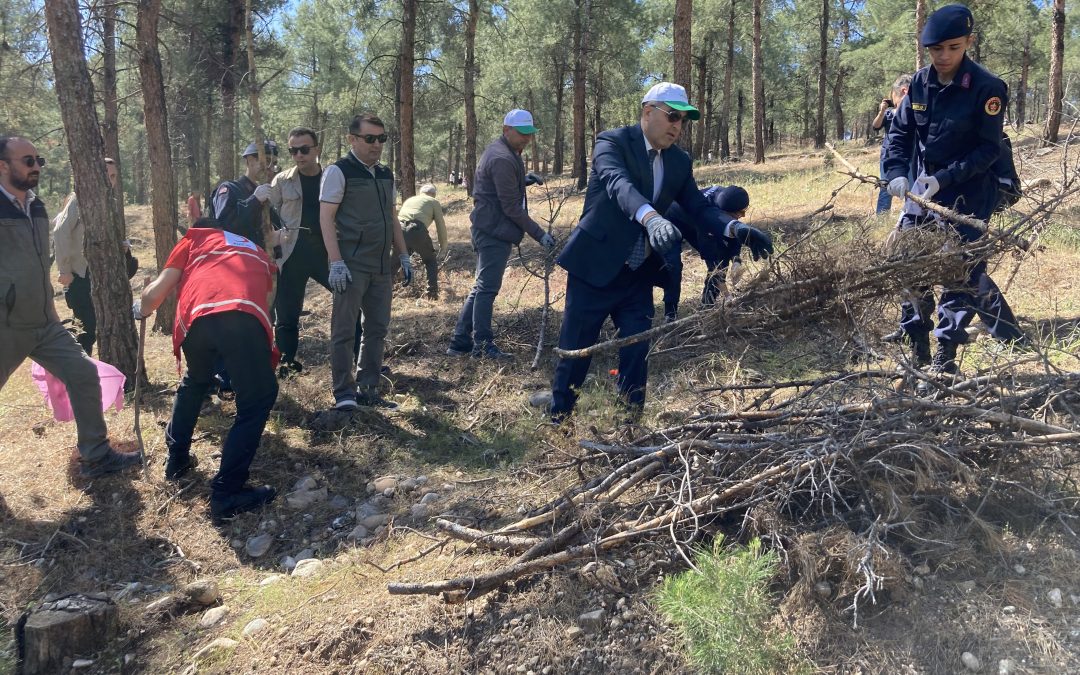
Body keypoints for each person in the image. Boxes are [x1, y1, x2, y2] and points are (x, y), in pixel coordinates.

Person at [550, 83, 727, 423]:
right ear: (648, 112)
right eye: (672, 116)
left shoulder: (678, 161)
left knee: (637, 350)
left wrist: (734, 228)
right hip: (595, 269)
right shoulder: (612, 142)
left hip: (638, 273)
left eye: (683, 120)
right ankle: (559, 422)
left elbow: (697, 207)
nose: (678, 126)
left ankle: (628, 424)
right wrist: (651, 217)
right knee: (576, 352)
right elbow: (619, 185)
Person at [884, 4, 1026, 377]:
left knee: (957, 276)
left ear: (968, 43)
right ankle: (918, 354)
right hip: (921, 196)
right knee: (909, 268)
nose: (943, 57)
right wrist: (897, 172)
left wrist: (944, 179)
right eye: (936, 50)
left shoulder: (987, 88)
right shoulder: (918, 83)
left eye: (952, 47)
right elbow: (899, 135)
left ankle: (945, 361)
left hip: (967, 195)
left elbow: (988, 149)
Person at [0, 136, 140, 477]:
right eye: (27, 161)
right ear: (3, 166)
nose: (36, 166)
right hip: (5, 324)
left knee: (83, 373)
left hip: (44, 322)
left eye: (38, 160)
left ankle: (95, 454)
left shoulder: (36, 206)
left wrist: (49, 307)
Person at [133, 217, 278, 521]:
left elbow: (155, 294)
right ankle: (227, 493)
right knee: (256, 400)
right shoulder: (252, 249)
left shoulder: (192, 241)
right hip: (242, 315)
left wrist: (142, 308)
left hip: (196, 320)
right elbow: (266, 300)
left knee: (195, 380)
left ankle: (177, 460)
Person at [320, 113, 412, 410]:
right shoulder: (339, 171)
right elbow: (325, 218)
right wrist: (336, 261)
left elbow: (392, 217)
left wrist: (403, 254)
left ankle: (368, 389)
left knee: (377, 328)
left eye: (381, 139)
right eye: (370, 138)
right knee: (344, 330)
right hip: (351, 265)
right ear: (352, 139)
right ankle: (344, 394)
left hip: (381, 266)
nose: (376, 145)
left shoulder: (385, 173)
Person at [447, 109, 556, 359]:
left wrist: (522, 180)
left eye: (530, 134)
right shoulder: (502, 158)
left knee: (480, 287)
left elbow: (498, 187)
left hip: (490, 226)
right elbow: (510, 208)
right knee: (487, 288)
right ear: (506, 130)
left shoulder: (508, 152)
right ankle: (482, 346)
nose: (527, 139)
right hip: (493, 231)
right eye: (522, 134)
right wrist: (539, 234)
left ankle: (460, 341)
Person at [268, 126, 362, 377]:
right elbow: (271, 216)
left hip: (328, 253)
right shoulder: (281, 180)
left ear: (316, 149)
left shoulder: (333, 177)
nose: (299, 155)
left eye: (304, 149)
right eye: (293, 150)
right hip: (291, 255)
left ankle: (358, 360)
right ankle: (286, 366)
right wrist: (274, 240)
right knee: (286, 316)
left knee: (350, 304)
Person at [658, 184, 773, 321]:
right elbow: (715, 268)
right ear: (724, 212)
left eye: (744, 210)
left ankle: (706, 307)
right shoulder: (707, 223)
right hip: (672, 219)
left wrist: (736, 259)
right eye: (739, 212)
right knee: (674, 266)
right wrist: (728, 296)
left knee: (723, 254)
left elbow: (731, 231)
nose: (743, 215)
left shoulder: (726, 196)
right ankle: (671, 313)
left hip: (700, 217)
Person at [52, 157, 123, 355]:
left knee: (103, 329)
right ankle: (77, 375)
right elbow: (59, 231)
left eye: (113, 176)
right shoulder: (78, 199)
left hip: (100, 276)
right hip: (79, 277)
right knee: (85, 331)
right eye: (106, 175)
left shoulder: (109, 201)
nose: (110, 180)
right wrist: (65, 270)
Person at [213, 140, 280, 247]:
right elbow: (224, 227)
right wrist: (254, 201)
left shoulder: (266, 194)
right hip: (236, 258)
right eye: (267, 161)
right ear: (250, 160)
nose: (270, 168)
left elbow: (275, 228)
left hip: (261, 259)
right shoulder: (230, 189)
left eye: (274, 163)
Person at [395, 183, 448, 299]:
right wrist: (443, 246)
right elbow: (440, 225)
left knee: (394, 263)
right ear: (434, 194)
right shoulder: (433, 202)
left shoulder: (410, 200)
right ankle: (431, 293)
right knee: (430, 260)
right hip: (417, 230)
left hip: (399, 230)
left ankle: (389, 291)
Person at [872, 75, 912, 215]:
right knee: (885, 187)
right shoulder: (889, 114)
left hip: (911, 156)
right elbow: (875, 126)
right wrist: (882, 111)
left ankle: (912, 215)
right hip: (888, 156)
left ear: (902, 91)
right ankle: (882, 216)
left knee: (912, 188)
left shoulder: (915, 113)